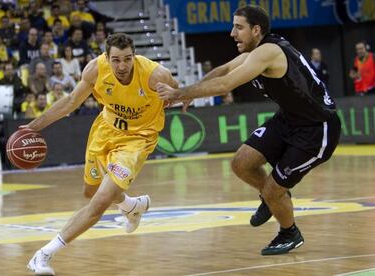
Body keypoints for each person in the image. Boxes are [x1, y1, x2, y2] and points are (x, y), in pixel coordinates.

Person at [157, 6, 341, 256]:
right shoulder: (254, 50)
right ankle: (275, 196)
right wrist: (194, 89)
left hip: (316, 129)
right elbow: (223, 71)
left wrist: (180, 94)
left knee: (272, 190)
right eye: (233, 26)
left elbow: (226, 85)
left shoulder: (268, 52)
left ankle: (289, 231)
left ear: (256, 30)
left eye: (238, 27)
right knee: (241, 163)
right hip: (288, 119)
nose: (232, 33)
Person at [24, 33, 180, 275]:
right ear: (106, 57)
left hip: (137, 141)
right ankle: (131, 206)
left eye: (127, 59)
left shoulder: (154, 74)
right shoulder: (95, 70)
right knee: (91, 192)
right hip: (105, 130)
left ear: (134, 56)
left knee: (99, 203)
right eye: (116, 60)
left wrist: (181, 96)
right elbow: (70, 102)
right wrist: (34, 126)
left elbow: (177, 90)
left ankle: (43, 255)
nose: (122, 66)